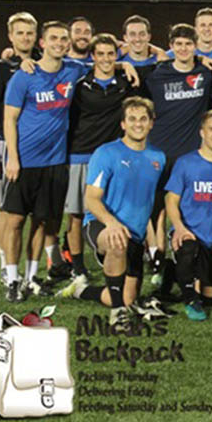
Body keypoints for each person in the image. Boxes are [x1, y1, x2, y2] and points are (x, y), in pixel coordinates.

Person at [2, 21, 117, 302]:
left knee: (42, 222)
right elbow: (9, 118)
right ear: (42, 42)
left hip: (55, 163)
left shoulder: (73, 70)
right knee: (16, 221)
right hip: (24, 163)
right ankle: (12, 278)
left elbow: (104, 64)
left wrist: (124, 66)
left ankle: (30, 278)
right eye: (53, 38)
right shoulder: (24, 76)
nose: (59, 43)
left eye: (64, 39)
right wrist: (13, 159)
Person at [61, 97, 165, 330]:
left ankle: (82, 291)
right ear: (123, 124)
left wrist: (153, 245)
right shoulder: (106, 153)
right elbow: (91, 198)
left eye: (143, 119)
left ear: (151, 123)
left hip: (135, 234)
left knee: (128, 297)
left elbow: (146, 206)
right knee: (117, 243)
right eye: (132, 119)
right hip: (101, 225)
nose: (138, 124)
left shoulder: (158, 157)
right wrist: (112, 223)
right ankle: (117, 314)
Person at [63, 33, 146, 285]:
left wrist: (126, 65)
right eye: (101, 54)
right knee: (77, 214)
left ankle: (109, 253)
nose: (106, 59)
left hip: (113, 157)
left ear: (116, 55)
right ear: (93, 57)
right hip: (81, 154)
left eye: (111, 54)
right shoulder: (80, 84)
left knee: (111, 208)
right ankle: (77, 268)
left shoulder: (126, 83)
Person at [143, 23, 212, 291]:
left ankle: (184, 258)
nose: (183, 48)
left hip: (190, 157)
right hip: (159, 154)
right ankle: (156, 258)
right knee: (156, 209)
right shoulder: (156, 74)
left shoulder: (206, 73)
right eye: (178, 44)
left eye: (188, 44)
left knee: (186, 209)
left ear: (195, 46)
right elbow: (118, 65)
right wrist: (121, 65)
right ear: (171, 46)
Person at [0, 12, 40, 284]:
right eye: (20, 33)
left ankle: (31, 268)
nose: (25, 38)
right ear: (10, 36)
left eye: (29, 33)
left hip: (37, 150)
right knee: (6, 209)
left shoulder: (45, 64)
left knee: (35, 211)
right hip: (6, 149)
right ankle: (6, 264)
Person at [165, 109, 212, 321]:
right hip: (188, 234)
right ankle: (189, 300)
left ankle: (170, 272)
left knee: (209, 296)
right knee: (188, 250)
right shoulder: (185, 163)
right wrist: (179, 227)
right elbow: (171, 200)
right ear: (202, 133)